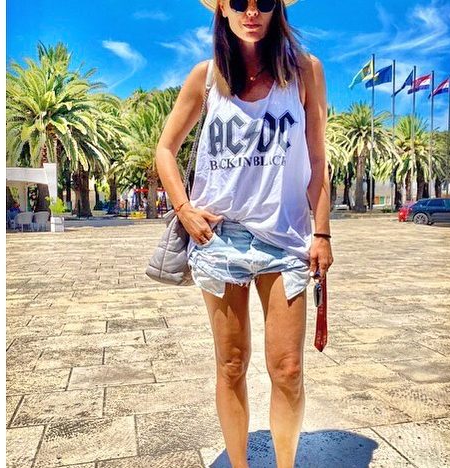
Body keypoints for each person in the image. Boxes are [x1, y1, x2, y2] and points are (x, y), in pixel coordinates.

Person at [155, 1, 333, 467]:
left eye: (264, 2)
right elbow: (165, 149)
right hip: (219, 241)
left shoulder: (305, 72)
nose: (251, 12)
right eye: (239, 2)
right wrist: (183, 209)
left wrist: (322, 232)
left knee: (288, 369)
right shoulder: (206, 77)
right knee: (231, 365)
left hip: (286, 237)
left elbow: (318, 160)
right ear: (222, 8)